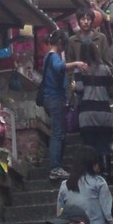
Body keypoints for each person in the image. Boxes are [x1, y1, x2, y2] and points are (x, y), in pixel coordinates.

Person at [41, 30, 87, 179]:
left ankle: (57, 165)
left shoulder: (48, 57)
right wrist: (76, 63)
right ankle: (55, 167)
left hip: (52, 99)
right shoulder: (53, 56)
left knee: (60, 133)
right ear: (60, 43)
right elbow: (60, 67)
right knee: (57, 133)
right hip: (54, 99)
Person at [57, 146, 113, 224]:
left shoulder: (65, 186)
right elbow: (109, 213)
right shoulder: (98, 182)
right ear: (92, 164)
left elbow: (60, 216)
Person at [74, 39, 113, 172]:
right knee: (104, 145)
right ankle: (107, 172)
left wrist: (74, 87)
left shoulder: (79, 70)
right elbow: (112, 92)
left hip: (87, 114)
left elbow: (79, 89)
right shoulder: (106, 69)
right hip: (104, 113)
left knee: (89, 147)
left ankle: (92, 173)